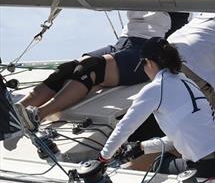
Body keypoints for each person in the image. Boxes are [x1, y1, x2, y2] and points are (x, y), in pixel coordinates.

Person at [98, 38, 215, 181]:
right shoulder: (188, 82)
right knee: (170, 157)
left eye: (143, 65)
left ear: (149, 63)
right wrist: (141, 147)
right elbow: (184, 134)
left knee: (159, 164)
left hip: (211, 169)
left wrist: (103, 158)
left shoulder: (155, 88)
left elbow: (124, 127)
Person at [15, 11, 188, 130]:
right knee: (66, 69)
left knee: (90, 68)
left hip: (150, 50)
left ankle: (37, 115)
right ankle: (13, 112)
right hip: (123, 42)